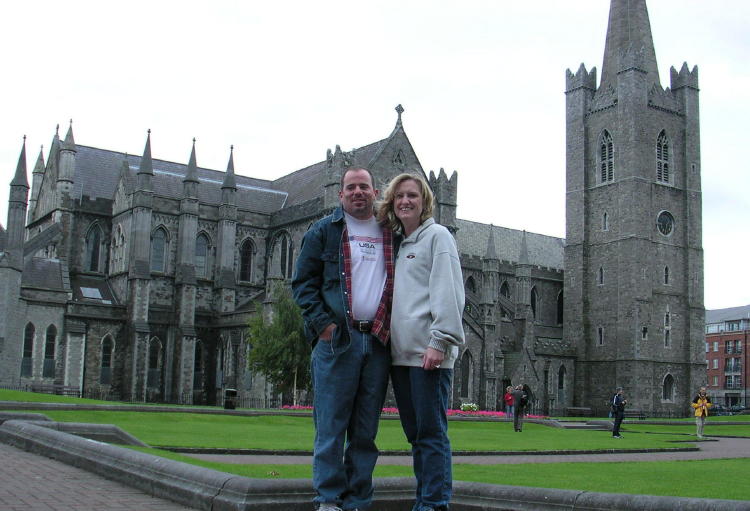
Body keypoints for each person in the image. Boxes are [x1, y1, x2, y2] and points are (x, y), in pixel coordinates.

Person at [292, 167, 395, 511]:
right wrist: (324, 327)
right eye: (351, 187)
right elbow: (303, 284)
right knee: (331, 427)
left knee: (365, 432)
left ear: (375, 191)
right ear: (340, 194)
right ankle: (329, 499)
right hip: (338, 341)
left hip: (378, 341)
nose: (358, 193)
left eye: (364, 187)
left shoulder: (390, 232)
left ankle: (358, 500)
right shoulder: (324, 231)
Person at [378, 173, 465, 511]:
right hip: (401, 357)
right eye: (399, 196)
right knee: (416, 436)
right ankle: (425, 498)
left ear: (425, 200)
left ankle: (433, 504)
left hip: (428, 356)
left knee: (430, 435)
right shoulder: (400, 243)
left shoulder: (438, 236)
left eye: (412, 195)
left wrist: (440, 341)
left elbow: (449, 291)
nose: (405, 201)